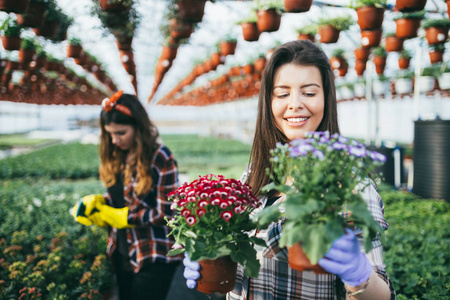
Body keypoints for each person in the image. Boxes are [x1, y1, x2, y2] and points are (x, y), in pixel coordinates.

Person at [183, 40, 396, 299]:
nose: (295, 104)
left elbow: (382, 295)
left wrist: (357, 276)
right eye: (282, 94)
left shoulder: (351, 186)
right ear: (268, 102)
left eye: (309, 92)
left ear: (326, 98)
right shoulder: (255, 174)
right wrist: (208, 255)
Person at [72, 91, 181, 300]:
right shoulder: (116, 155)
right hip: (122, 250)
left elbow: (167, 212)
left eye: (121, 133)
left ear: (139, 128)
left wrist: (124, 218)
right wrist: (99, 203)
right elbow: (120, 196)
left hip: (153, 254)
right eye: (109, 134)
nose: (114, 140)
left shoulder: (160, 157)